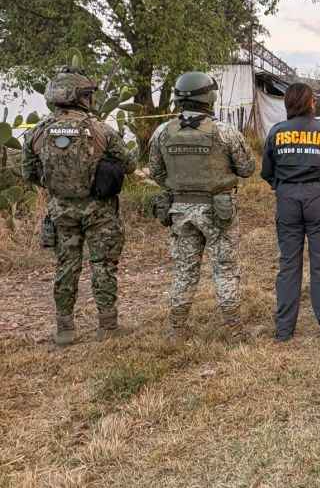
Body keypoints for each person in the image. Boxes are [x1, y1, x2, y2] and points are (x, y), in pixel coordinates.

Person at [22, 66, 137, 347]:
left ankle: (64, 330)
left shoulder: (38, 132)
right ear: (81, 96)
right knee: (103, 265)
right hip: (99, 211)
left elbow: (29, 174)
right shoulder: (99, 129)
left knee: (66, 267)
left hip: (61, 210)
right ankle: (107, 326)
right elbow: (130, 164)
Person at [147, 71, 257, 342]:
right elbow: (246, 169)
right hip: (217, 212)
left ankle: (177, 330)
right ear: (210, 98)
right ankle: (234, 330)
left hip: (179, 211)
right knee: (225, 269)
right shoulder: (224, 131)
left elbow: (156, 173)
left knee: (184, 269)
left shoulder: (163, 132)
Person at [261, 82, 320, 341]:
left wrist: (286, 187)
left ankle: (284, 329)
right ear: (311, 103)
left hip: (287, 200)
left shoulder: (276, 133)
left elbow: (267, 173)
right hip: (318, 199)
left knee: (288, 264)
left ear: (287, 103)